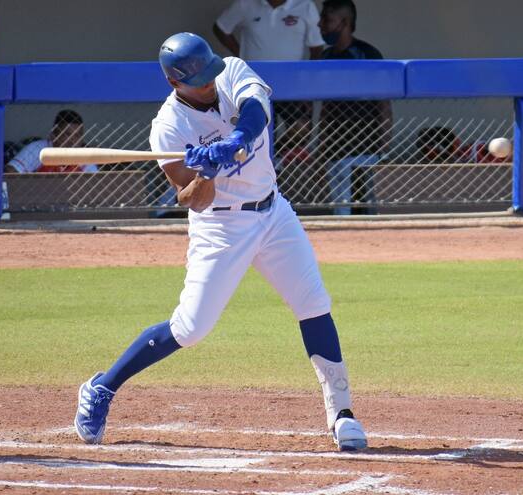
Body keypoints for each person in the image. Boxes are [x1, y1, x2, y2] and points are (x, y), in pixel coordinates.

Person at [74, 33, 368, 452]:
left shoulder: (230, 70)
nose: (211, 83)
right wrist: (205, 173)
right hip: (221, 228)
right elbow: (192, 200)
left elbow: (256, 112)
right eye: (200, 80)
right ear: (176, 83)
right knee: (190, 329)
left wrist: (234, 142)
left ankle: (342, 414)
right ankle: (102, 387)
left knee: (314, 303)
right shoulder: (168, 129)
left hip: (274, 212)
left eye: (211, 74)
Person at [317, 0, 392, 215]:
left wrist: (384, 147)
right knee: (341, 212)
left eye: (327, 20)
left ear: (344, 22)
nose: (320, 25)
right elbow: (325, 107)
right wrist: (321, 146)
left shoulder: (367, 54)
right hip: (334, 148)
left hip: (365, 147)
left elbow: (384, 102)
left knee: (369, 209)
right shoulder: (325, 56)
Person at [213, 0, 325, 141]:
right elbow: (221, 27)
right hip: (255, 84)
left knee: (301, 129)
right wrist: (239, 54)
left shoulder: (305, 5)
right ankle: (272, 158)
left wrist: (308, 85)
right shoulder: (246, 4)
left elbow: (316, 47)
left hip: (292, 84)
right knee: (260, 133)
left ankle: (279, 155)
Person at [6, 110, 98, 174]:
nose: (73, 141)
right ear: (53, 134)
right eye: (67, 134)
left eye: (77, 135)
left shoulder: (84, 156)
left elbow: (96, 184)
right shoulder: (39, 149)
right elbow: (10, 171)